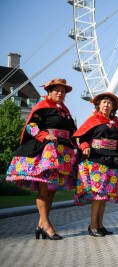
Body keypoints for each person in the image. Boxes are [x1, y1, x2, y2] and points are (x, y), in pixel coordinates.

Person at [6, 78, 77, 240]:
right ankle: (46, 225)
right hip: (46, 152)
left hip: (61, 152)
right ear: (49, 92)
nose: (60, 93)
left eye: (63, 91)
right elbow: (31, 126)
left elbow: (73, 131)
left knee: (51, 190)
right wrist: (45, 135)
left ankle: (41, 224)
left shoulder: (65, 111)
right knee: (44, 189)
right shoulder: (42, 107)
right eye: (57, 90)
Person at [73, 92, 118, 237]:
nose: (106, 105)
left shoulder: (115, 121)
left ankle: (100, 225)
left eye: (109, 103)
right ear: (98, 105)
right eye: (104, 102)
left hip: (112, 160)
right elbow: (79, 136)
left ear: (113, 107)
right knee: (97, 195)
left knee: (104, 195)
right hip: (96, 160)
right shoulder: (93, 119)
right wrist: (85, 146)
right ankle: (93, 226)